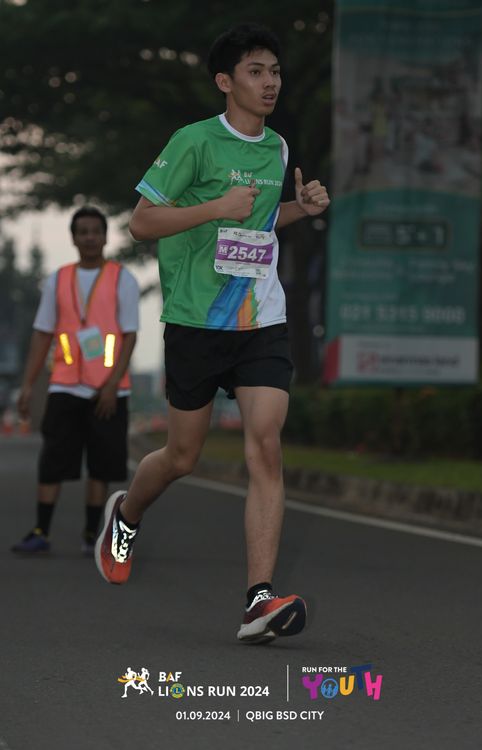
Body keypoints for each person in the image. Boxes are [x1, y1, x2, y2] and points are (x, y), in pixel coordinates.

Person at [95, 23, 330, 644]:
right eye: (256, 71)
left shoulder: (278, 148)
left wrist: (300, 210)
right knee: (182, 456)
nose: (270, 82)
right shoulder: (193, 142)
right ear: (226, 81)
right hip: (196, 321)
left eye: (274, 71)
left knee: (266, 445)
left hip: (260, 318)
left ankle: (258, 600)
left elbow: (258, 224)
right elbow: (142, 223)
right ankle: (127, 514)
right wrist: (214, 208)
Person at [11, 206, 139, 556]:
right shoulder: (59, 279)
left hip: (108, 389)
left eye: (95, 231)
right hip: (65, 384)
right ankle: (40, 531)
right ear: (73, 238)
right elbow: (42, 333)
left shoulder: (122, 279)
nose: (89, 238)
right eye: (82, 232)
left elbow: (129, 335)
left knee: (101, 464)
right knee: (53, 459)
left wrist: (112, 385)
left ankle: (90, 535)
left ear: (105, 236)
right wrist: (28, 384)